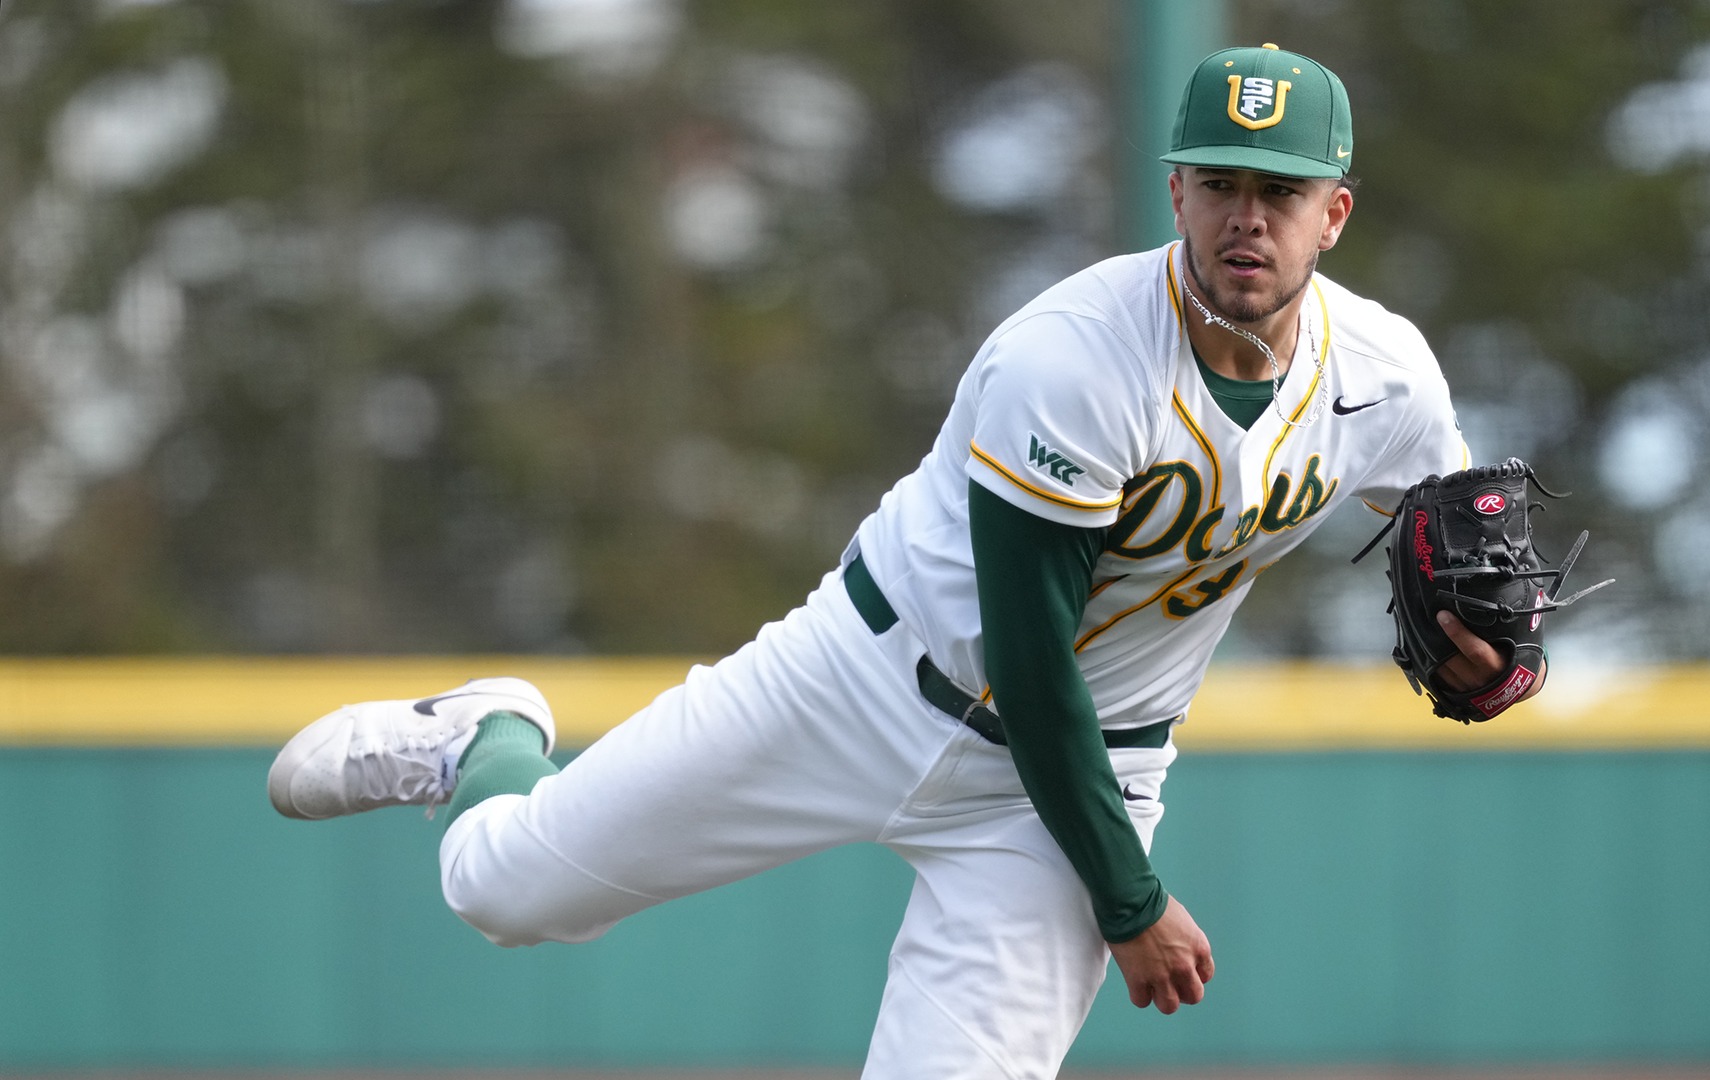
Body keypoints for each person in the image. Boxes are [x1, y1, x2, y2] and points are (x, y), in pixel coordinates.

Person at [269, 43, 1529, 1078]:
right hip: (862, 683)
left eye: (1280, 189)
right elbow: (1030, 659)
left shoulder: (1385, 378)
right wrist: (1130, 901)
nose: (1247, 217)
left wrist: (1495, 658)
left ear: (1334, 213)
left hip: (1074, 778)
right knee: (506, 890)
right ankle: (487, 735)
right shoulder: (1075, 359)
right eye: (1220, 182)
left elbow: (1453, 534)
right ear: (1176, 194)